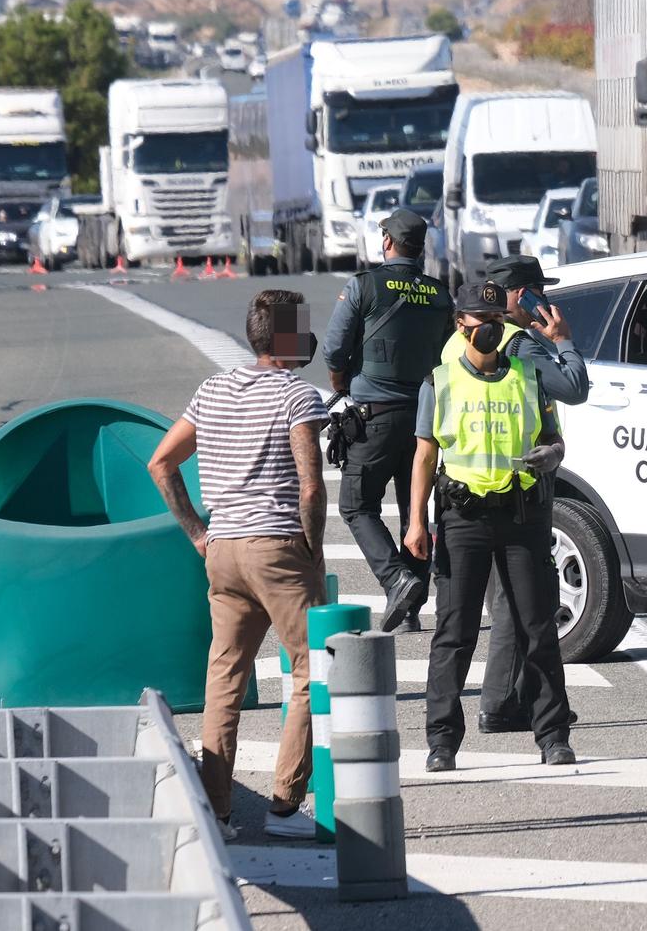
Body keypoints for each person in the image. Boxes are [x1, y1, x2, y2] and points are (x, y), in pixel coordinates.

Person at [145, 290, 330, 841]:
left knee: (224, 678)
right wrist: (313, 548)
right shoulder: (297, 396)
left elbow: (161, 461)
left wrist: (199, 533)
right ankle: (283, 804)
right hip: (278, 546)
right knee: (310, 670)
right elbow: (312, 484)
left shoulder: (212, 389)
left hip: (223, 550)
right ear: (287, 339)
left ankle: (218, 811)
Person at [405, 279, 574, 771]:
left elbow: (555, 437)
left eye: (498, 323)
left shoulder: (528, 375)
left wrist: (552, 454)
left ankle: (553, 736)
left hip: (521, 515)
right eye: (483, 323)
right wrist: (416, 523)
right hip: (463, 518)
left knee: (537, 628)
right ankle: (441, 742)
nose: (492, 332)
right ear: (462, 325)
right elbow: (424, 455)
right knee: (455, 633)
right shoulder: (439, 381)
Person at [321, 206, 453, 634]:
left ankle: (398, 581)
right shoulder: (440, 293)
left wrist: (340, 383)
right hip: (426, 419)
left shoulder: (364, 285)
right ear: (421, 248)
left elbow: (334, 349)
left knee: (357, 505)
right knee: (416, 508)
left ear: (388, 242)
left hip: (375, 416)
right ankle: (410, 607)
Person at [473, 254, 590, 734]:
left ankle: (514, 698)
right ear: (523, 296)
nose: (547, 301)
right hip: (521, 487)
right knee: (521, 602)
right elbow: (574, 386)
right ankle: (500, 703)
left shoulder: (466, 341)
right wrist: (563, 341)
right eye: (541, 292)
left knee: (504, 601)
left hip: (471, 483)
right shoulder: (521, 344)